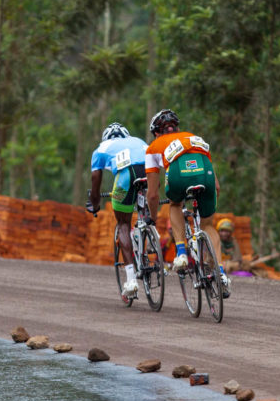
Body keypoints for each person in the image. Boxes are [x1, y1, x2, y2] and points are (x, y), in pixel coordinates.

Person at [144, 108, 230, 297]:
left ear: (157, 133)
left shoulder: (153, 147)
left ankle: (181, 252)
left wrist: (152, 217)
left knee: (175, 204)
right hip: (205, 173)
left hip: (178, 175)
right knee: (208, 226)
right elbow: (216, 186)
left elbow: (152, 195)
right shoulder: (193, 137)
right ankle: (221, 273)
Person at [87, 122, 148, 298]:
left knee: (123, 223)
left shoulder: (101, 148)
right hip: (148, 171)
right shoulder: (138, 140)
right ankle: (147, 228)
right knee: (145, 209)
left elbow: (95, 177)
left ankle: (130, 280)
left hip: (125, 175)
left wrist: (95, 201)